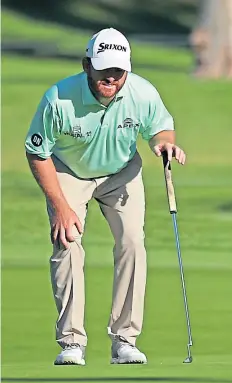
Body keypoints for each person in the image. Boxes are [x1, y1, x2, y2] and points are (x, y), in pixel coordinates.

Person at [24, 27, 186, 365]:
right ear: (87, 65)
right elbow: (37, 153)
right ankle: (71, 343)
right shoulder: (59, 99)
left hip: (121, 172)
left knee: (132, 243)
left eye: (119, 70)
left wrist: (163, 143)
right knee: (66, 241)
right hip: (68, 170)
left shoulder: (141, 93)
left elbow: (160, 127)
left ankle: (124, 340)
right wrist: (60, 207)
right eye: (103, 69)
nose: (111, 76)